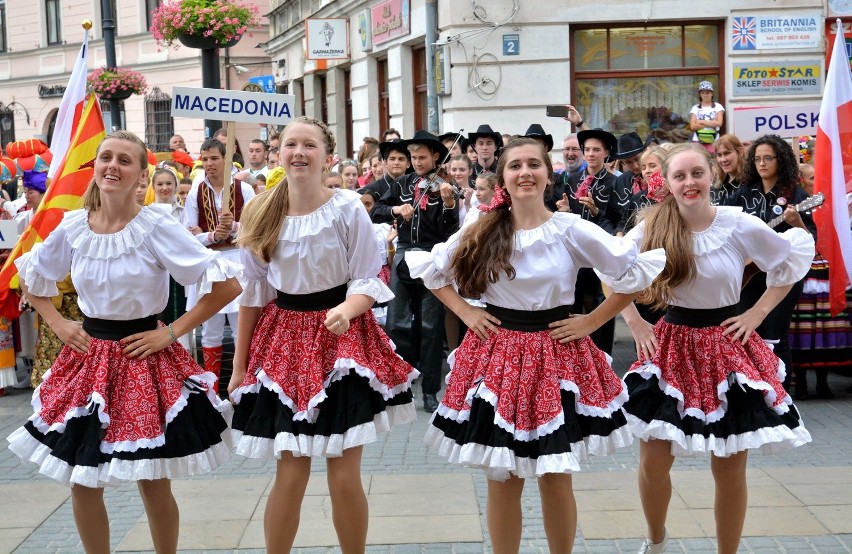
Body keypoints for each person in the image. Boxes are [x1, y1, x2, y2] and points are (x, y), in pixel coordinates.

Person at [405, 137, 665, 553]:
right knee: (501, 477)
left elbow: (630, 273)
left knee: (555, 476)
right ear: (503, 178)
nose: (525, 172)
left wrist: (594, 320)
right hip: (497, 354)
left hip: (556, 353)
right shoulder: (484, 226)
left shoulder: (571, 228)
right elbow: (433, 271)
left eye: (533, 165)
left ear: (548, 173)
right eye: (515, 166)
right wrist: (468, 313)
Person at [7, 130, 242, 553]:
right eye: (106, 158)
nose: (112, 165)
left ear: (141, 177)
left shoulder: (155, 225)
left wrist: (169, 332)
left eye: (124, 160)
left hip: (143, 356)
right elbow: (33, 276)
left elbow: (227, 286)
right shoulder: (75, 225)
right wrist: (59, 322)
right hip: (89, 356)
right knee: (82, 477)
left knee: (152, 480)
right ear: (94, 167)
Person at [228, 117, 417, 553]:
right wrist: (239, 367)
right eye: (290, 144)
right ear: (278, 153)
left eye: (308, 145)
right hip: (285, 342)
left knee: (344, 472)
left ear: (326, 156)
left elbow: (368, 277)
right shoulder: (260, 211)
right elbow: (253, 295)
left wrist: (347, 310)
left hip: (342, 342)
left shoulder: (347, 207)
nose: (298, 152)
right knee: (290, 474)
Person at [620, 143, 813, 554]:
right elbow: (612, 269)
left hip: (728, 347)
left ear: (711, 174)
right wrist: (636, 323)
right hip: (670, 346)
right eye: (679, 176)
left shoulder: (737, 223)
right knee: (654, 461)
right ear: (667, 183)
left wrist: (757, 314)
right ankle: (656, 541)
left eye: (696, 173)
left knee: (729, 465)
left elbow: (790, 256)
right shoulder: (653, 226)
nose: (689, 183)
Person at [371, 130, 459, 413]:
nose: (417, 162)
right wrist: (397, 210)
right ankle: (402, 385)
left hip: (432, 256)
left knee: (431, 328)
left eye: (422, 157)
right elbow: (378, 210)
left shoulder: (446, 185)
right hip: (405, 255)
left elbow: (450, 229)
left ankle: (431, 391)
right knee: (397, 323)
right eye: (413, 157)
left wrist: (448, 205)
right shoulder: (403, 183)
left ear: (435, 157)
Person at [727, 135, 815, 395]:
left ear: (781, 160)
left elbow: (810, 241)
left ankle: (779, 395)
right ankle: (750, 391)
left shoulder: (796, 195)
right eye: (757, 159)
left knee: (776, 335)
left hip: (782, 277)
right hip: (747, 274)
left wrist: (797, 221)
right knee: (743, 331)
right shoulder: (743, 194)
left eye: (768, 158)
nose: (762, 164)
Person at [183, 138, 255, 393]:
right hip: (211, 261)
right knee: (210, 326)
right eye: (205, 159)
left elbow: (255, 227)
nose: (209, 164)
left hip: (238, 258)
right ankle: (212, 389)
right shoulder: (195, 192)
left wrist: (235, 227)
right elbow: (188, 235)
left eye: (214, 158)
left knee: (240, 325)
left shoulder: (244, 190)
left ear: (226, 159)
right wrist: (211, 235)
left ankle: (243, 386)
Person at [552, 128, 621, 355]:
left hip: (600, 253)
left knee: (601, 304)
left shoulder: (614, 183)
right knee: (571, 302)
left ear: (606, 153)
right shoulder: (571, 180)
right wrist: (563, 211)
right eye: (587, 149)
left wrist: (596, 211)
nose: (590, 154)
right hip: (574, 252)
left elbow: (617, 219)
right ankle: (571, 357)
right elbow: (567, 214)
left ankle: (602, 358)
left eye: (596, 150)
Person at [787, 163, 851, 399]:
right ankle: (801, 383)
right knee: (802, 327)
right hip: (806, 267)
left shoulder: (827, 204)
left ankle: (823, 382)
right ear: (802, 181)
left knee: (824, 325)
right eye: (812, 177)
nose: (817, 182)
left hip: (825, 267)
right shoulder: (801, 205)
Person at [689, 81, 725, 153]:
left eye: (708, 92)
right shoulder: (695, 108)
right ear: (700, 94)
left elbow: (719, 123)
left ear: (712, 93)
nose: (705, 95)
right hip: (698, 141)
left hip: (714, 141)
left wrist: (700, 121)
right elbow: (692, 126)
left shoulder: (718, 106)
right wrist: (712, 123)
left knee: (713, 162)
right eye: (703, 93)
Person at [712, 133, 746, 205]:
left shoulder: (750, 185)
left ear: (740, 152)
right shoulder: (716, 184)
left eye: (727, 153)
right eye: (719, 155)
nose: (723, 159)